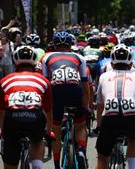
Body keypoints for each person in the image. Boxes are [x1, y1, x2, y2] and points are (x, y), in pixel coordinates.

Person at [0, 46, 54, 169]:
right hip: (35, 120)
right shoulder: (44, 81)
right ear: (35, 62)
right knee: (39, 140)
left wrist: (4, 131)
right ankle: (37, 166)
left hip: (12, 121)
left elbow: (0, 112)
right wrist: (48, 133)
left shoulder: (4, 80)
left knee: (10, 160)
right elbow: (48, 112)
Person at [42, 31, 90, 169]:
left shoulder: (46, 57)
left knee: (56, 128)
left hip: (56, 91)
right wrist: (85, 106)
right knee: (80, 124)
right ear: (71, 45)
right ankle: (81, 149)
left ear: (54, 45)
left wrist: (46, 109)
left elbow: (45, 84)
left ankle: (57, 164)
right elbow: (85, 86)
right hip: (75, 90)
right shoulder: (79, 57)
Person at [96, 44, 135, 169]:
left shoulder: (103, 76)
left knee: (102, 158)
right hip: (132, 116)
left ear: (111, 64)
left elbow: (100, 105)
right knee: (133, 140)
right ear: (131, 64)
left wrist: (98, 124)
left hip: (109, 117)